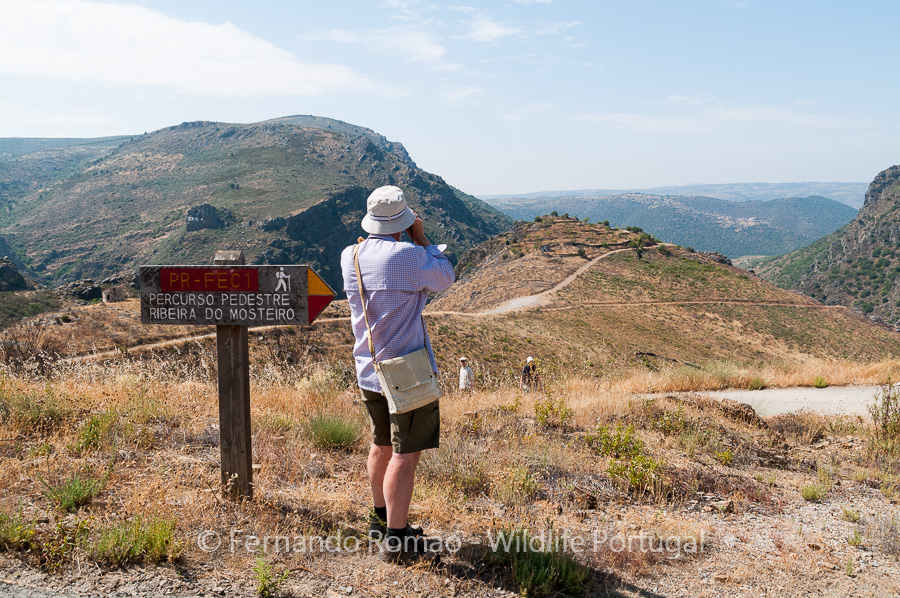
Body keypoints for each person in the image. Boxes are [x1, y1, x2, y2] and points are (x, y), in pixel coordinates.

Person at [340, 185, 454, 565]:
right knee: (406, 455)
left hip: (368, 368)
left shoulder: (350, 255)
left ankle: (380, 522)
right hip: (406, 372)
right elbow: (445, 278)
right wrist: (420, 236)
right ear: (402, 221)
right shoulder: (408, 255)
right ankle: (396, 540)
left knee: (381, 445)